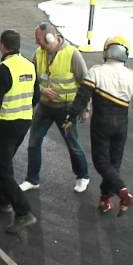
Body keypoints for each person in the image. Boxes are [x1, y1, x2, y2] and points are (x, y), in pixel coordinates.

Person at [62, 35, 133, 215]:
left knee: (101, 162)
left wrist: (70, 117)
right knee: (114, 163)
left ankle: (124, 193)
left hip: (101, 122)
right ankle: (105, 199)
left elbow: (82, 97)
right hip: (121, 124)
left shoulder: (96, 71)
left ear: (106, 51)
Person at [19, 22, 91, 194]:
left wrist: (85, 108)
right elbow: (31, 78)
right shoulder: (39, 53)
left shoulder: (72, 54)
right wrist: (42, 90)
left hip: (66, 109)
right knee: (34, 142)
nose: (37, 43)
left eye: (39, 39)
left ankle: (83, 176)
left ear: (50, 38)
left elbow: (85, 81)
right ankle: (32, 179)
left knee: (72, 143)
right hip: (45, 106)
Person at [0, 30, 39, 233]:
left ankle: (24, 213)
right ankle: (3, 201)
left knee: (2, 171)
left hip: (4, 125)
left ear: (2, 46)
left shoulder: (3, 71)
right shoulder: (30, 67)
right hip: (23, 123)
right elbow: (35, 97)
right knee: (6, 163)